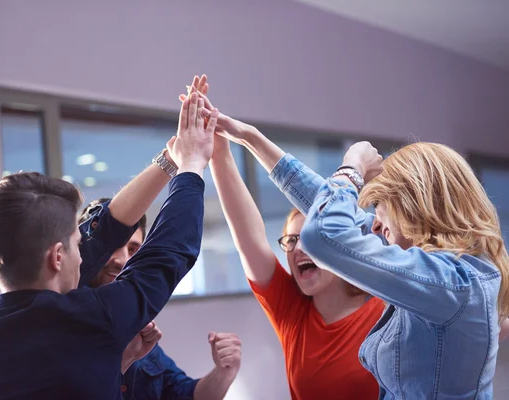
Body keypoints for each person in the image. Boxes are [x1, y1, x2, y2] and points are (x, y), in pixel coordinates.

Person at [189, 79, 509, 398]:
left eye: (381, 217)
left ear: (415, 210)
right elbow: (319, 208)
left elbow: (326, 233)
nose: (373, 227)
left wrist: (352, 165)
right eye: (290, 240)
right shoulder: (439, 273)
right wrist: (249, 138)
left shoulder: (451, 282)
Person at [0, 90, 220, 399]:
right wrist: (193, 163)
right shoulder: (91, 320)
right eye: (77, 244)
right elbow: (167, 254)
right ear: (57, 257)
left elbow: (104, 234)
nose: (84, 254)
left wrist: (169, 160)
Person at [182, 77, 382, 400]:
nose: (299, 247)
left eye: (310, 237)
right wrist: (219, 151)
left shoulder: (383, 296)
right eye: (290, 241)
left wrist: (249, 136)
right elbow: (248, 235)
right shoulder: (292, 311)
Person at [79, 198, 242, 400]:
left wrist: (224, 372)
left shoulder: (139, 328)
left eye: (132, 249)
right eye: (111, 247)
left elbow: (187, 395)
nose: (121, 260)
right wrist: (125, 359)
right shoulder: (61, 322)